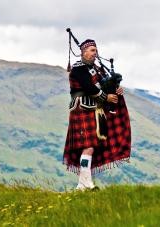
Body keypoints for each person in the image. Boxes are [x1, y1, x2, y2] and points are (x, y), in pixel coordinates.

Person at [63, 39, 131, 190]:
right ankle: (86, 183)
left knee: (91, 146)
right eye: (92, 50)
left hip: (94, 109)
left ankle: (82, 184)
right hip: (82, 108)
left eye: (96, 50)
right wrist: (106, 97)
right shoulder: (78, 69)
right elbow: (89, 87)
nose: (95, 53)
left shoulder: (96, 69)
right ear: (83, 52)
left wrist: (116, 90)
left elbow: (104, 85)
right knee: (88, 146)